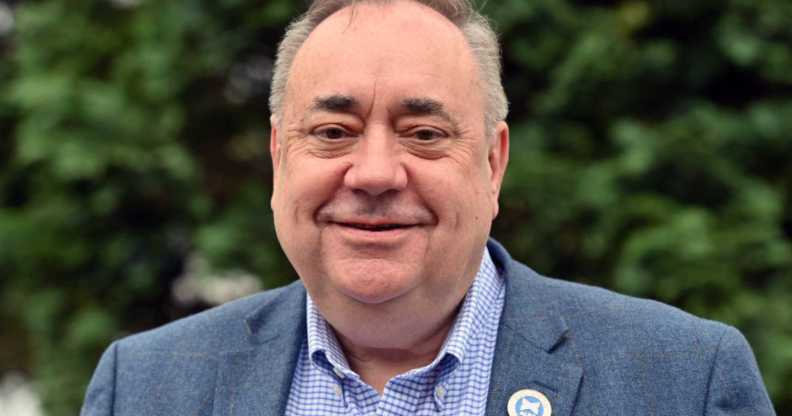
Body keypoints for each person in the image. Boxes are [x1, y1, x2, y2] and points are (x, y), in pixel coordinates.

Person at [81, 0, 776, 415]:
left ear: (494, 163)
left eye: (424, 134)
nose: (377, 173)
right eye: (332, 132)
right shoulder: (144, 388)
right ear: (278, 158)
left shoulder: (684, 379)